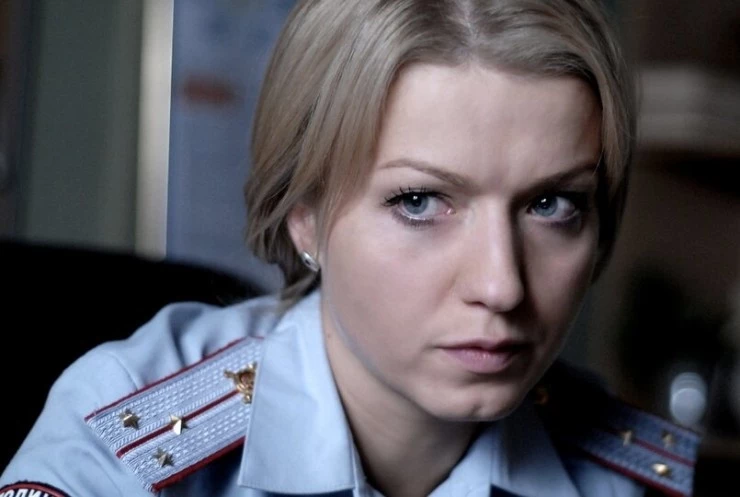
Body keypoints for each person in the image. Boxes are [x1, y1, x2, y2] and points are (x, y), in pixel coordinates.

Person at [1, 0, 701, 496]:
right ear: (303, 218)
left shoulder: (623, 476)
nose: (501, 285)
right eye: (419, 201)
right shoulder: (127, 443)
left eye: (552, 204)